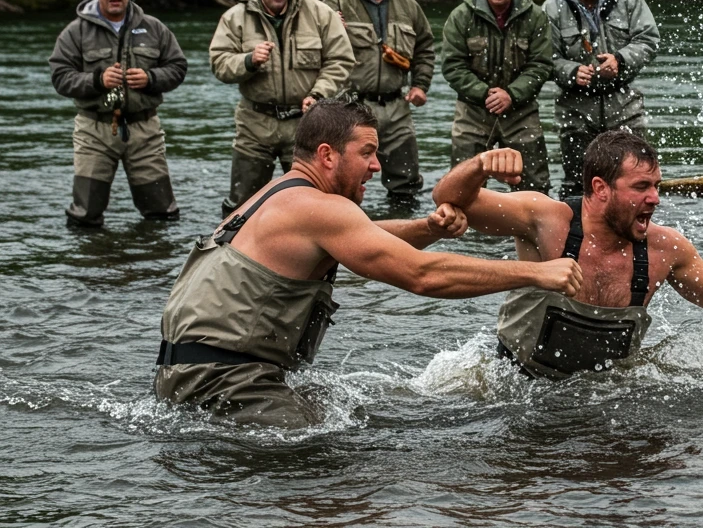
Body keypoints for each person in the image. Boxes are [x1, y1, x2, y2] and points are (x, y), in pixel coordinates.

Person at [154, 100, 583, 427]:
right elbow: (422, 275)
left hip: (188, 375)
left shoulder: (283, 194)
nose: (377, 166)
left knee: (361, 408)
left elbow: (361, 236)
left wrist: (428, 227)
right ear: (327, 154)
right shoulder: (319, 208)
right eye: (368, 153)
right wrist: (538, 273)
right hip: (223, 382)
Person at [433, 130, 703, 381]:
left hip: (607, 393)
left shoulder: (664, 248)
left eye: (656, 185)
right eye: (641, 186)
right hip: (512, 384)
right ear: (601, 188)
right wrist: (481, 165)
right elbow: (448, 197)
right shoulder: (545, 219)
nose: (655, 198)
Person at [209, 0, 355, 215]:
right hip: (254, 124)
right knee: (242, 204)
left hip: (307, 123)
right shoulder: (235, 17)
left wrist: (319, 94)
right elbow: (218, 63)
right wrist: (248, 60)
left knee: (316, 203)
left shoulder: (320, 13)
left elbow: (341, 59)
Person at [48, 0, 187, 226]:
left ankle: (156, 264)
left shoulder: (154, 28)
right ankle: (90, 265)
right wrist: (98, 80)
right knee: (85, 216)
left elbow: (178, 67)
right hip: (94, 131)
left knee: (162, 214)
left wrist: (151, 78)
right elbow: (60, 78)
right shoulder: (74, 32)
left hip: (144, 129)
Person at [543, 0, 661, 197]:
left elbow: (649, 40)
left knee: (638, 181)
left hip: (625, 108)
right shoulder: (552, 9)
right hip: (575, 112)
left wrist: (621, 59)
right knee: (578, 187)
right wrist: (571, 71)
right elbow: (544, 58)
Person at [323, 0, 435, 204]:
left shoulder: (408, 5)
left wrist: (420, 86)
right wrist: (329, 27)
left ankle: (402, 235)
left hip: (397, 107)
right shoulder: (334, 4)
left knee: (406, 183)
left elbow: (425, 48)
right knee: (341, 183)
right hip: (350, 108)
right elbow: (313, 48)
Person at [441, 0, 554, 192]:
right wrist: (485, 93)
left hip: (521, 112)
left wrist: (511, 94)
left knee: (535, 188)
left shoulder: (535, 17)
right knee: (461, 189)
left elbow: (541, 64)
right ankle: (465, 230)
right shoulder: (461, 17)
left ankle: (528, 230)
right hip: (473, 111)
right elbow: (452, 65)